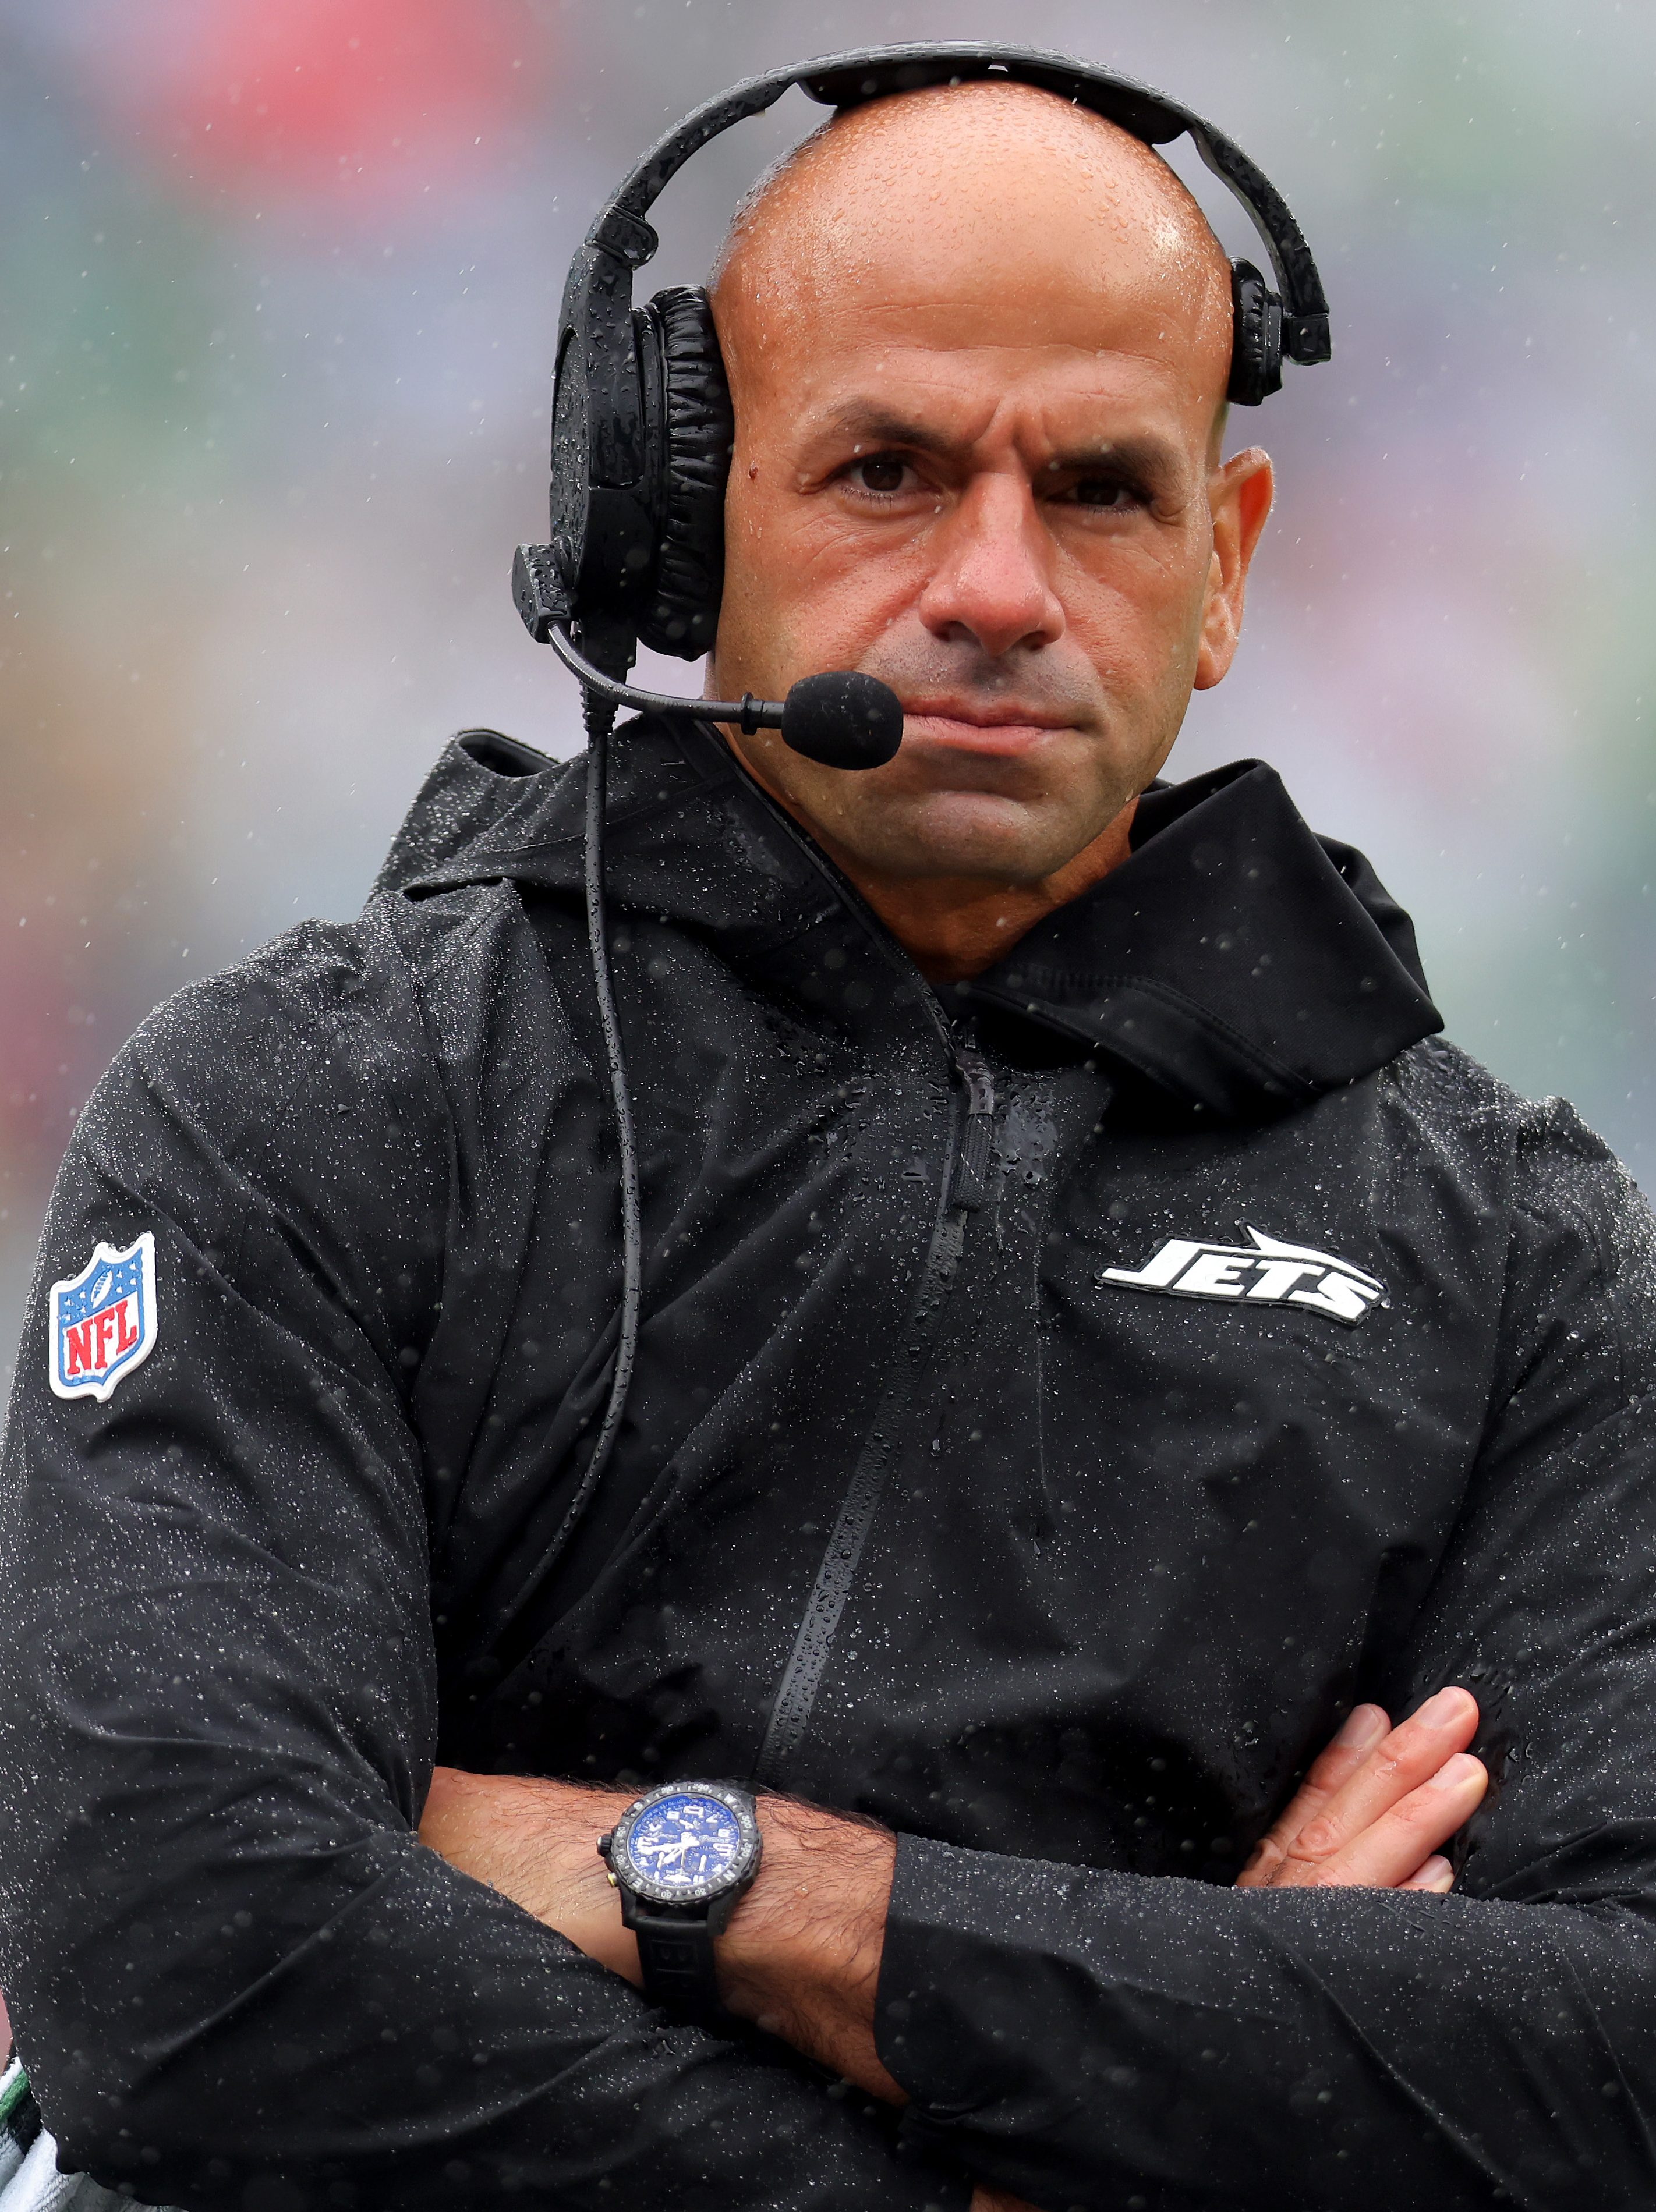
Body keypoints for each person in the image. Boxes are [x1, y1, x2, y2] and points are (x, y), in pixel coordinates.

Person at [2, 57, 1654, 2212]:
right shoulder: (309, 1106)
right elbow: (182, 1966)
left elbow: (1611, 2062)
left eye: (1098, 490)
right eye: (886, 471)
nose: (994, 583)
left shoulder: (1513, 1257)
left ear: (1223, 567)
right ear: (676, 527)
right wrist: (1119, 2111)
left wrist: (753, 1891)